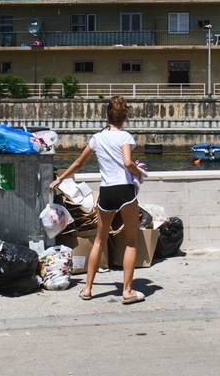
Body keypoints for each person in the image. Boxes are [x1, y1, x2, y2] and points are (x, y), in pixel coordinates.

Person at [48, 95, 146, 304]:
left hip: (107, 192)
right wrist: (139, 173)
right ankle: (127, 292)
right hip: (126, 192)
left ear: (107, 115)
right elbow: (128, 162)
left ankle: (87, 289)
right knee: (130, 241)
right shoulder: (126, 137)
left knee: (99, 240)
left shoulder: (97, 138)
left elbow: (78, 163)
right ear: (125, 116)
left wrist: (60, 179)